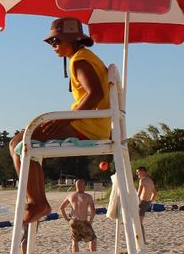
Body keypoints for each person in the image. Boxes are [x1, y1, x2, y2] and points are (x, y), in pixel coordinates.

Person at [8, 17, 111, 226]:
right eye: (50, 42)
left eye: (56, 41)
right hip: (91, 124)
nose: (53, 46)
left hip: (87, 126)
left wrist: (66, 119)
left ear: (72, 40)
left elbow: (95, 94)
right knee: (22, 141)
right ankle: (35, 200)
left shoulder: (80, 59)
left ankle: (38, 203)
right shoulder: (84, 57)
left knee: (19, 144)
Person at [59, 178, 98, 252]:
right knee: (92, 239)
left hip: (74, 221)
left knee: (75, 240)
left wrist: (67, 219)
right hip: (83, 220)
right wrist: (90, 221)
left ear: (76, 186)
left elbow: (61, 208)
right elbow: (93, 210)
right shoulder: (88, 196)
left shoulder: (70, 196)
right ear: (84, 186)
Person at [136, 166, 156, 239]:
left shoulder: (142, 180)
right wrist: (150, 200)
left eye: (138, 172)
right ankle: (141, 239)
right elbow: (154, 193)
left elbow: (139, 192)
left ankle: (142, 240)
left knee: (139, 222)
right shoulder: (150, 180)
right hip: (147, 202)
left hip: (143, 202)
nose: (137, 173)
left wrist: (137, 201)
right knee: (138, 221)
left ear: (142, 171)